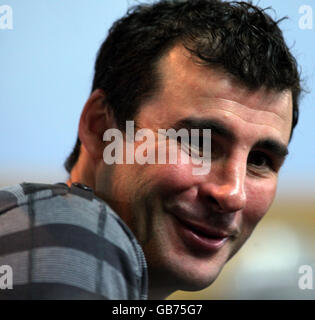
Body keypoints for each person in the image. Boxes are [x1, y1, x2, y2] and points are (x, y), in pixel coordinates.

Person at [0, 0, 301, 300]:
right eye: (200, 143)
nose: (233, 195)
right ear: (101, 129)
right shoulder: (72, 228)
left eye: (260, 160)